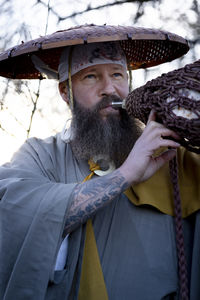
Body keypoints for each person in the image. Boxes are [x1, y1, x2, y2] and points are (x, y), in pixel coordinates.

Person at [0, 25, 199, 300]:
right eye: (92, 77)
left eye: (117, 74)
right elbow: (14, 212)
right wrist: (126, 174)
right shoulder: (40, 155)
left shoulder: (168, 147)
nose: (110, 89)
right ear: (65, 92)